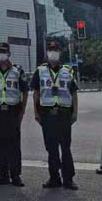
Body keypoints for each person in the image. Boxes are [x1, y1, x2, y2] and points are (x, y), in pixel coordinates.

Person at [32, 40, 79, 190]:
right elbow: (36, 93)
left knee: (65, 148)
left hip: (64, 115)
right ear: (47, 53)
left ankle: (68, 179)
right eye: (51, 50)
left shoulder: (68, 70)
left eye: (56, 50)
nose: (53, 53)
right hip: (47, 115)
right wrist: (36, 112)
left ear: (59, 53)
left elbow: (73, 93)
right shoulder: (40, 71)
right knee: (51, 148)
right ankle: (54, 178)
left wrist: (75, 112)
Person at [0, 42, 29, 186]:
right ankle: (3, 176)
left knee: (14, 144)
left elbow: (25, 91)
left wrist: (22, 110)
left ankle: (16, 176)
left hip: (13, 111)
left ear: (9, 53)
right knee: (1, 143)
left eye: (4, 52)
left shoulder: (18, 71)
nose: (1, 54)